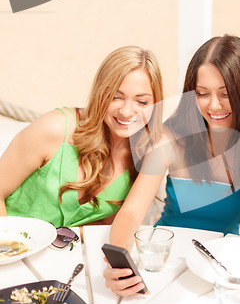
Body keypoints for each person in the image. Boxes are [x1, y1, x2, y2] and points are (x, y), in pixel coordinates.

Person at [105, 35, 240, 296]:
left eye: (225, 94)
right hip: (168, 266)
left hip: (231, 274)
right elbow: (132, 212)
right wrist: (120, 264)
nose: (213, 105)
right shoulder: (171, 139)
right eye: (203, 94)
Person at [0, 46, 164, 227]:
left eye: (142, 101)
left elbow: (104, 226)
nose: (126, 111)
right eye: (115, 97)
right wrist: (10, 248)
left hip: (66, 253)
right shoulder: (55, 128)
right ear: (100, 94)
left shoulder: (145, 156)